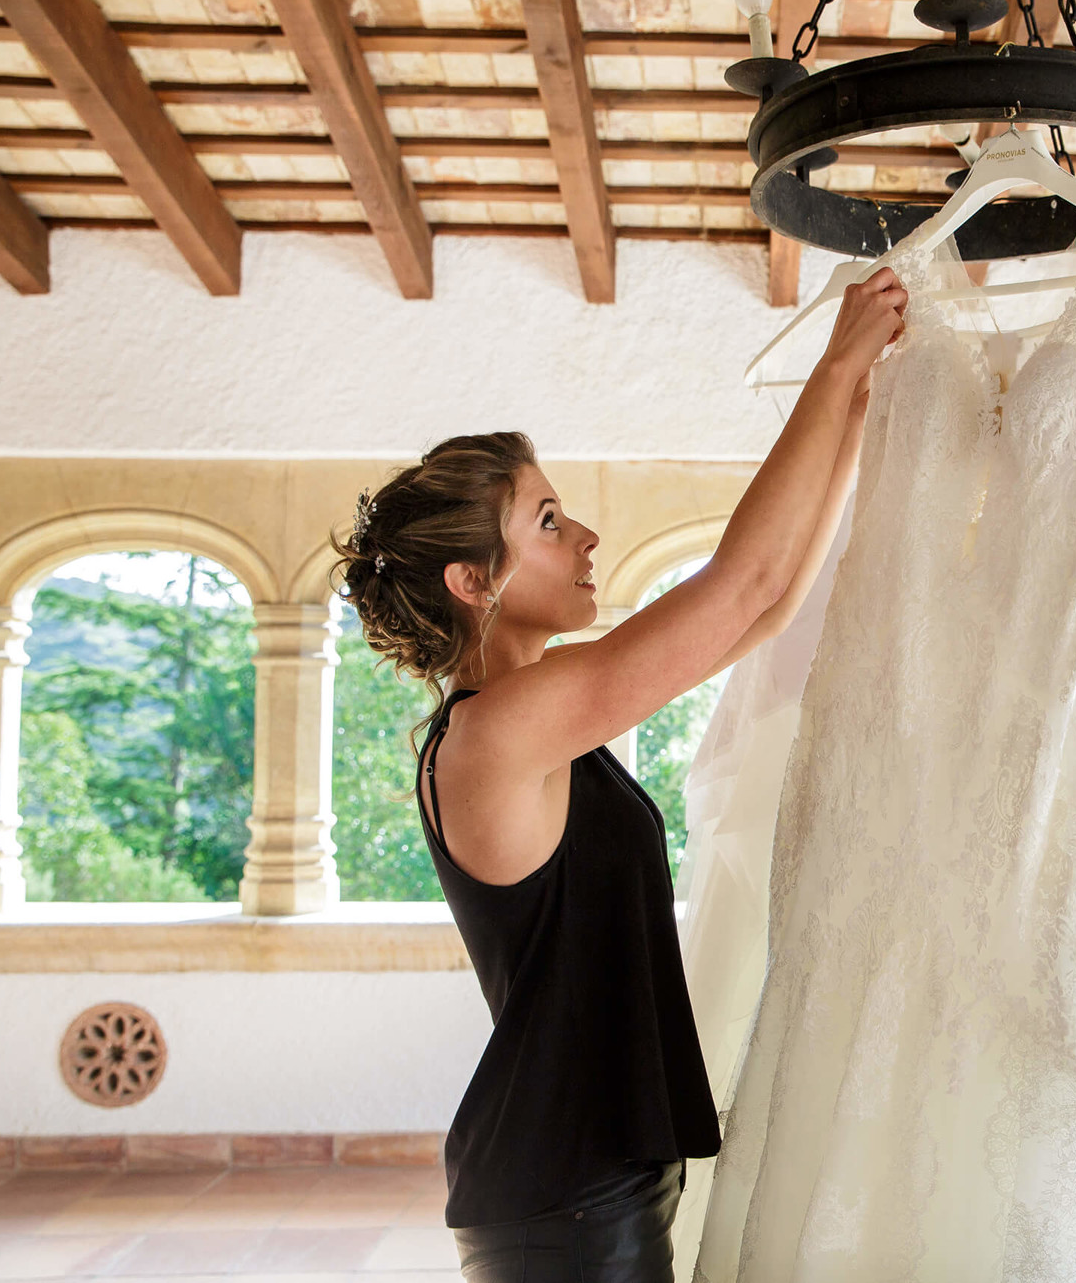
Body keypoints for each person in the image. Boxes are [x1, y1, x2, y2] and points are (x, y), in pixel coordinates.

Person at [330, 268, 907, 1283]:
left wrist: (855, 409)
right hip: (562, 1193)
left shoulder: (531, 719)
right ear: (473, 582)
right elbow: (743, 587)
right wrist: (838, 359)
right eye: (547, 521)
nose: (585, 535)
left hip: (587, 1175)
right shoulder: (497, 733)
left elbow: (765, 611)